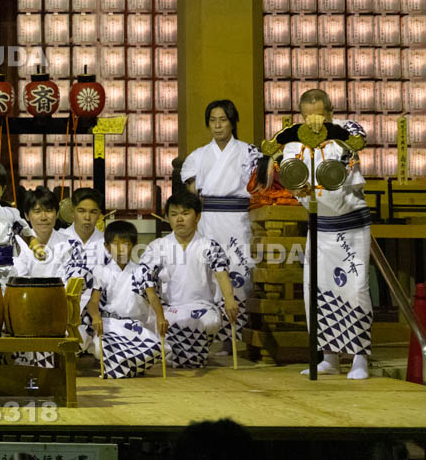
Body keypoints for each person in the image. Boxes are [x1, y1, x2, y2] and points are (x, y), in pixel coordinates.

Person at [271, 88, 372, 379]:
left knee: (355, 289)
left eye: (320, 114)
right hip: (320, 225)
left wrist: (331, 133)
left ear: (329, 112)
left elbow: (358, 138)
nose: (313, 121)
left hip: (351, 224)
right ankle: (328, 356)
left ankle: (359, 358)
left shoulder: (345, 133)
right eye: (308, 115)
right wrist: (296, 188)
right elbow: (291, 174)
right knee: (318, 290)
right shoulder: (293, 144)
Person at [181, 99, 261, 346]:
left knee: (239, 271)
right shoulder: (198, 155)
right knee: (208, 273)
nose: (218, 126)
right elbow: (191, 189)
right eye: (213, 121)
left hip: (238, 221)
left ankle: (238, 337)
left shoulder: (250, 153)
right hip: (208, 221)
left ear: (232, 122)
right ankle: (211, 335)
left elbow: (258, 187)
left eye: (223, 120)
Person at [134, 191, 238, 369]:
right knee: (174, 331)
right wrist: (159, 314)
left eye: (185, 213)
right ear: (167, 218)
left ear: (197, 217)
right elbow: (146, 282)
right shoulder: (158, 246)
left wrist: (229, 300)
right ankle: (182, 354)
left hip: (202, 307)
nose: (179, 219)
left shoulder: (209, 245)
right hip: (169, 310)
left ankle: (178, 354)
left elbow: (221, 274)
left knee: (209, 322)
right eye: (174, 214)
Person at [12, 186, 91, 368]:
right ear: (26, 216)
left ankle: (53, 373)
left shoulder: (70, 244)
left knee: (77, 328)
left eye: (49, 210)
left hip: (61, 312)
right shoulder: (16, 243)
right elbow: (18, 281)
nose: (44, 217)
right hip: (25, 311)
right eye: (37, 211)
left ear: (56, 214)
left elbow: (75, 281)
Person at [86, 221, 161, 378]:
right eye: (115, 244)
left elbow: (152, 296)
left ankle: (122, 367)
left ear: (134, 245)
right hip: (110, 325)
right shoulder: (102, 271)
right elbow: (93, 302)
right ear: (107, 247)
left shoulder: (142, 271)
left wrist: (161, 317)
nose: (121, 249)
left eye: (125, 244)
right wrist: (95, 316)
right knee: (102, 349)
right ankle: (130, 367)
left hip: (134, 325)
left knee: (155, 349)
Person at [68, 187, 108, 270]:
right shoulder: (60, 239)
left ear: (99, 215)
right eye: (81, 211)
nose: (87, 217)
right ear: (72, 212)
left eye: (93, 212)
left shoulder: (107, 242)